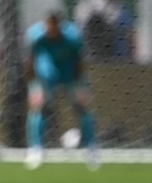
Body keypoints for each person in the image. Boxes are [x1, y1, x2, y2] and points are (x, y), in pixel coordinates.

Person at [24, 12, 99, 171]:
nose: (51, 30)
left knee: (82, 108)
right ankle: (36, 149)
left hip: (69, 73)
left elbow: (80, 61)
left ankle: (91, 148)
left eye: (54, 27)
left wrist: (78, 83)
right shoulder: (36, 37)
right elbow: (31, 60)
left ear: (60, 26)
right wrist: (33, 82)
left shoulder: (72, 38)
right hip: (46, 75)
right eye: (48, 26)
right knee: (38, 108)